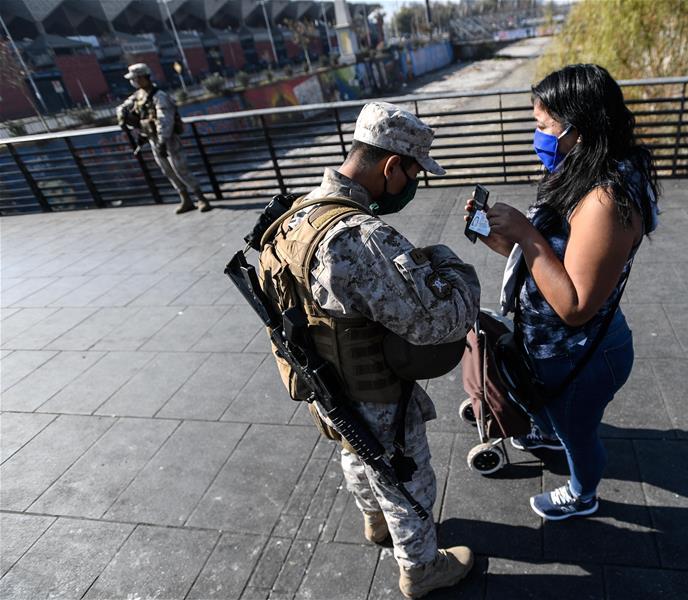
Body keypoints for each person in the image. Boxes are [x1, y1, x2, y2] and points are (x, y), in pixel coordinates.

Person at [257, 102, 480, 599]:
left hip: (325, 381)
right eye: (414, 171)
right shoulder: (360, 236)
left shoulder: (300, 212)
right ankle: (420, 568)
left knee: (354, 452)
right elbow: (440, 321)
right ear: (391, 166)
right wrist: (449, 264)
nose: (413, 182)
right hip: (372, 385)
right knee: (405, 476)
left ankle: (375, 522)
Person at [466, 64, 660, 521]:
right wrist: (497, 232)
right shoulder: (579, 172)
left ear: (579, 127)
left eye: (543, 126)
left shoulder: (606, 200)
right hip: (553, 349)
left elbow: (574, 306)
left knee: (580, 436)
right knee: (555, 416)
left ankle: (582, 492)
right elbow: (544, 262)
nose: (538, 137)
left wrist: (527, 234)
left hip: (581, 355)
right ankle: (548, 429)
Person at [116, 63, 211, 214]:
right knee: (168, 171)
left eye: (135, 78)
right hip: (153, 139)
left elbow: (165, 121)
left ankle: (201, 198)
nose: (133, 81)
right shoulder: (139, 96)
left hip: (168, 140)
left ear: (142, 77)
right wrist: (122, 115)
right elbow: (125, 107)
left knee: (181, 169)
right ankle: (185, 199)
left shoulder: (159, 96)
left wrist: (162, 141)